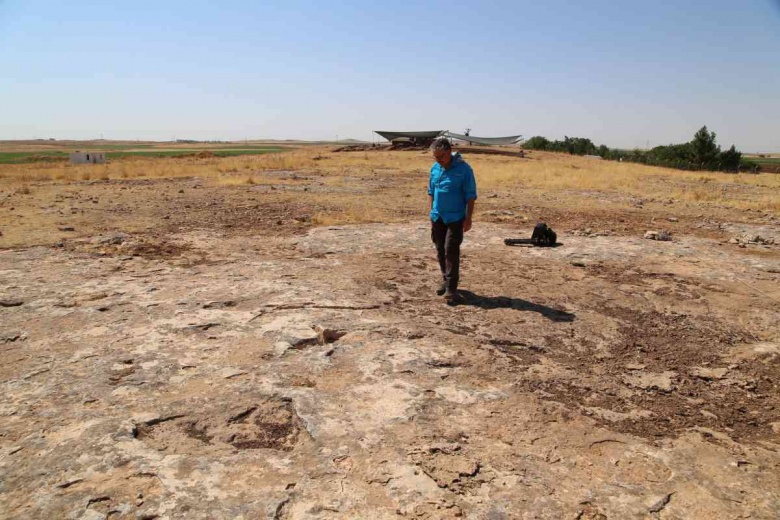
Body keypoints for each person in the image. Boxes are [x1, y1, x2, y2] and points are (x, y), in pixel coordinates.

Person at [428, 137, 477, 303]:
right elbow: (430, 192)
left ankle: (451, 288)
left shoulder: (464, 170)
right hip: (438, 216)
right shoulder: (435, 169)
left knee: (451, 250)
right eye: (436, 157)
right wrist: (431, 213)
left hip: (456, 217)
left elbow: (470, 196)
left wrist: (468, 218)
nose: (438, 160)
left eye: (441, 156)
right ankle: (445, 278)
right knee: (440, 249)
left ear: (449, 152)